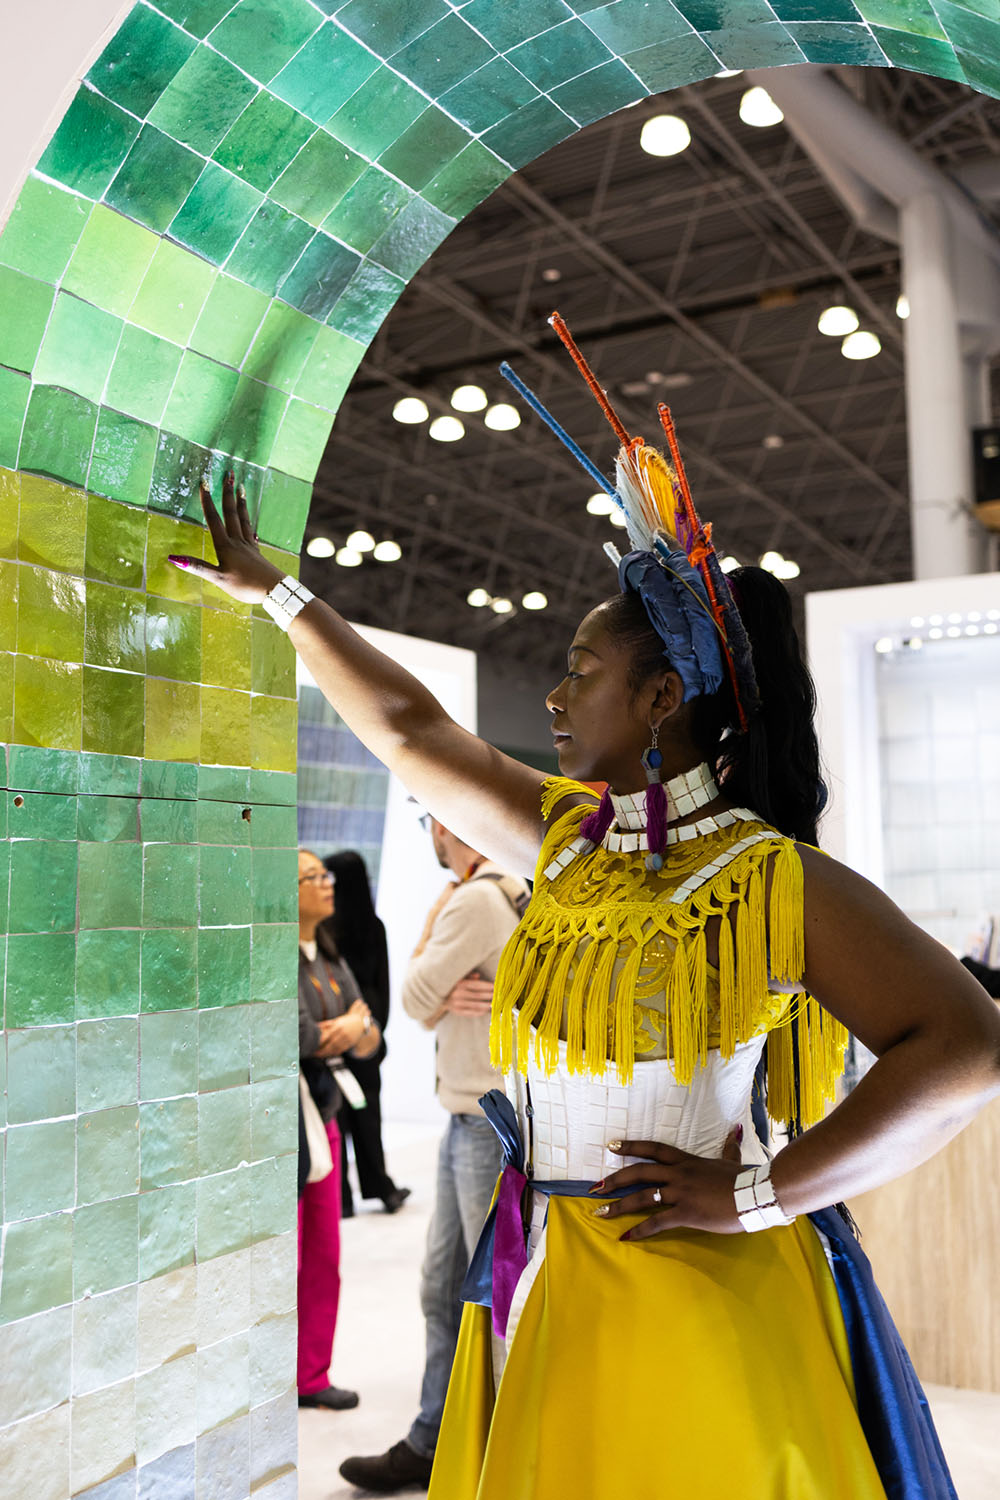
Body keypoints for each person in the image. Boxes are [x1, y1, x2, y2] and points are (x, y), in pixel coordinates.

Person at [169, 323, 1000, 1497]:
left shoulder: (769, 876)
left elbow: (965, 1049)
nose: (553, 696)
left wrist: (759, 1191)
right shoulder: (566, 840)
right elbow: (413, 733)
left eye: (578, 670)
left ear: (660, 698)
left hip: (694, 1290)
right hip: (545, 1268)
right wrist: (283, 595)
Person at [338, 819, 529, 1491]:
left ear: (452, 825)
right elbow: (424, 1000)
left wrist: (435, 978)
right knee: (446, 1284)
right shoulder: (505, 890)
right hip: (477, 1116)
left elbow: (412, 998)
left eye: (432, 822)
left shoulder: (475, 900)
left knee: (488, 1295)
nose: (432, 834)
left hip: (482, 1119)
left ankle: (493, 1450)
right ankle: (436, 1437)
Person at [297, 848, 382, 1412]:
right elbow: (304, 1039)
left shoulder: (329, 953)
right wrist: (350, 1026)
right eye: (312, 877)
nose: (326, 885)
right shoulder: (278, 957)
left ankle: (311, 1375)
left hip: (324, 1116)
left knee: (325, 1256)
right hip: (287, 1125)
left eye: (326, 876)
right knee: (291, 1257)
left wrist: (349, 1028)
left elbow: (370, 1036)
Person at [321, 849, 410, 1216]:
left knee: (337, 1118)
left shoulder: (325, 927)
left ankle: (341, 1199)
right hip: (367, 1035)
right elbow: (383, 985)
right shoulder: (374, 926)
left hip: (334, 1034)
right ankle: (380, 1188)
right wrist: (375, 1031)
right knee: (368, 1113)